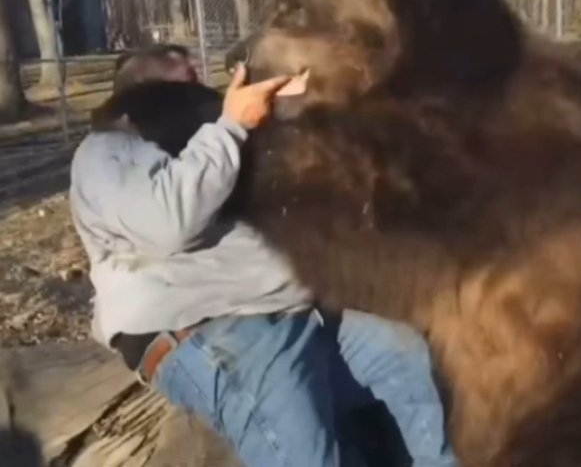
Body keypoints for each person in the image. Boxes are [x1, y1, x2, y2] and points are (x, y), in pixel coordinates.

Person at [69, 46, 458, 467]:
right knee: (305, 456)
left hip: (298, 315)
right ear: (135, 97)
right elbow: (167, 220)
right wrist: (231, 126)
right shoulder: (107, 152)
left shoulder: (208, 146)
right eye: (182, 79)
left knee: (400, 354)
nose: (203, 89)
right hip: (218, 330)